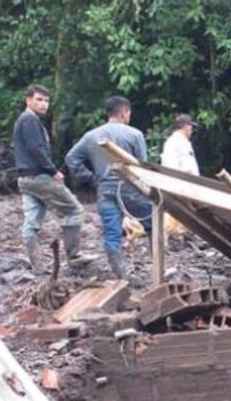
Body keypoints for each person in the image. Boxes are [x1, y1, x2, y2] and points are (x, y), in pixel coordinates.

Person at [65, 96, 152, 279]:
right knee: (153, 224)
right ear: (124, 113)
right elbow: (142, 166)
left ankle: (121, 276)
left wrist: (90, 178)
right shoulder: (134, 134)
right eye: (129, 113)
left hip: (104, 189)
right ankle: (158, 269)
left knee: (112, 234)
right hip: (130, 187)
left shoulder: (91, 136)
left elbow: (71, 158)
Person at [11, 84, 93, 272]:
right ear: (28, 100)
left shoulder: (25, 120)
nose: (43, 104)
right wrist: (53, 171)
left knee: (31, 223)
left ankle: (38, 267)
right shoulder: (29, 119)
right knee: (74, 210)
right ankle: (74, 256)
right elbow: (36, 149)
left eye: (46, 101)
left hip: (25, 179)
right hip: (39, 177)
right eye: (39, 100)